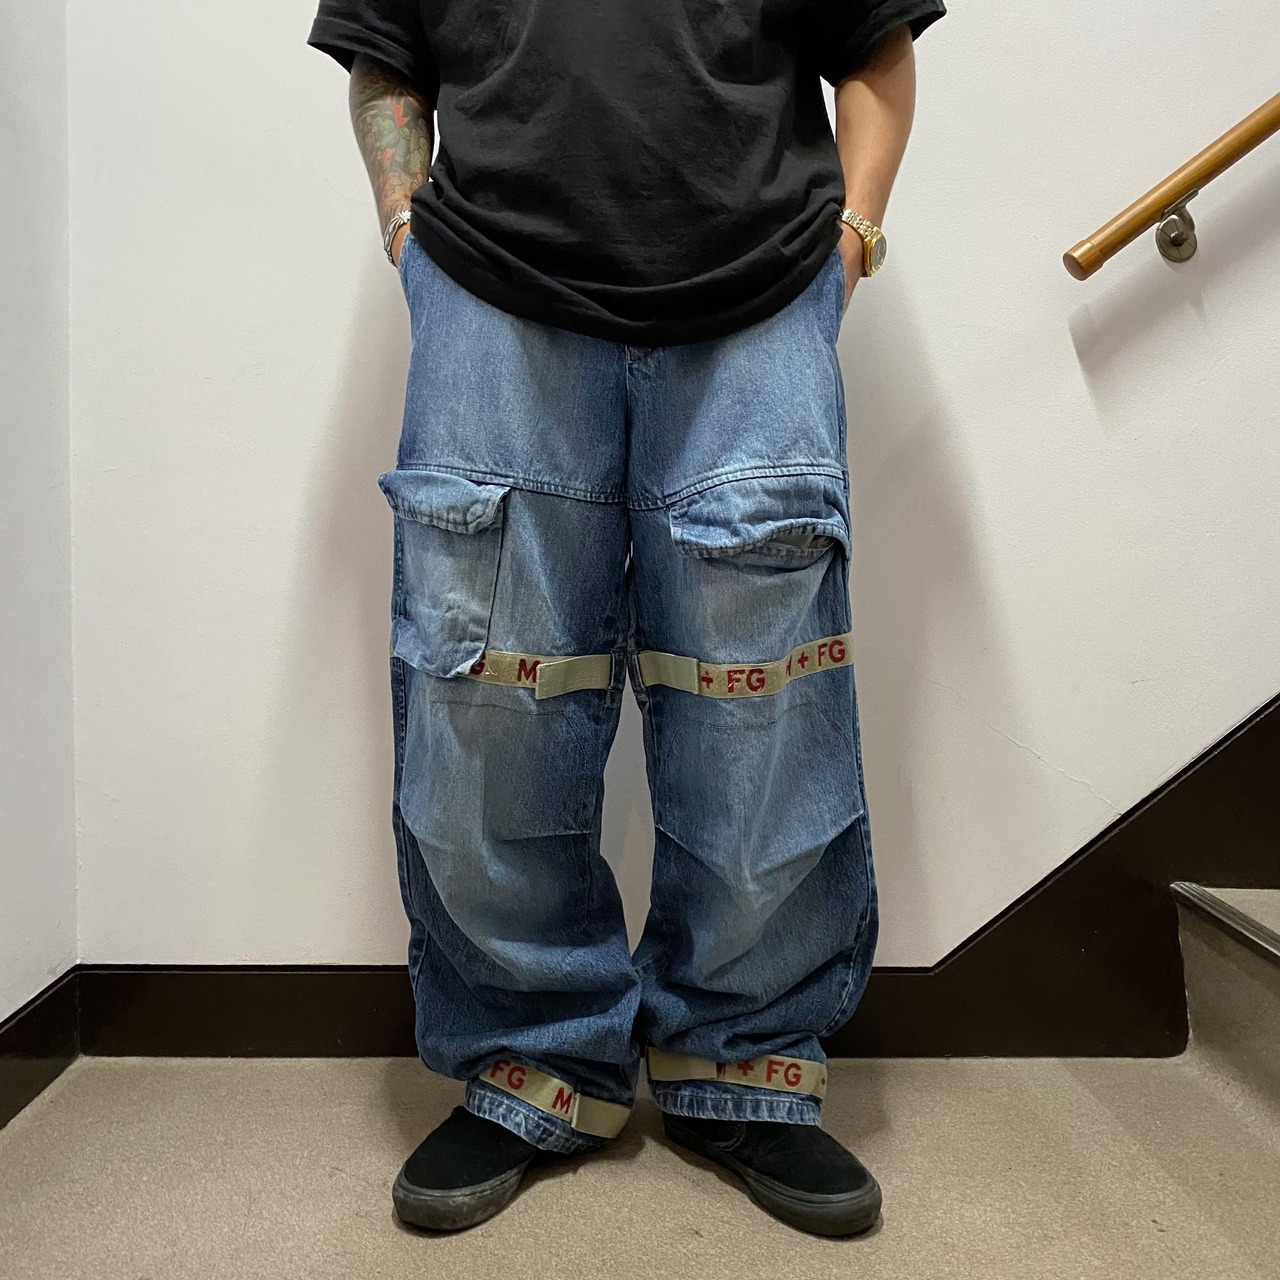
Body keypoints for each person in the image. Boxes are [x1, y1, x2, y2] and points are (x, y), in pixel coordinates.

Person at [308, 0, 944, 1238]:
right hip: (491, 290)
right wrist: (405, 227)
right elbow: (386, 57)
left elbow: (874, 46)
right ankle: (529, 1060)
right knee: (483, 692)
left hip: (760, 291)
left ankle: (742, 1061)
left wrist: (853, 237)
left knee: (762, 690)